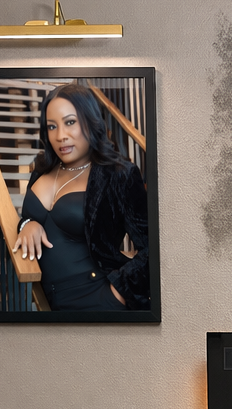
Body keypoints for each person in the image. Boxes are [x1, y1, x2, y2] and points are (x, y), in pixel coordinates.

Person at [12, 83, 150, 312]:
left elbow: (153, 248)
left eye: (70, 122)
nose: (60, 136)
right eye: (52, 126)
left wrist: (118, 293)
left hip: (99, 299)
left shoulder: (119, 174)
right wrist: (27, 224)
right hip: (51, 303)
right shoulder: (41, 169)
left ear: (90, 121)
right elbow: (28, 218)